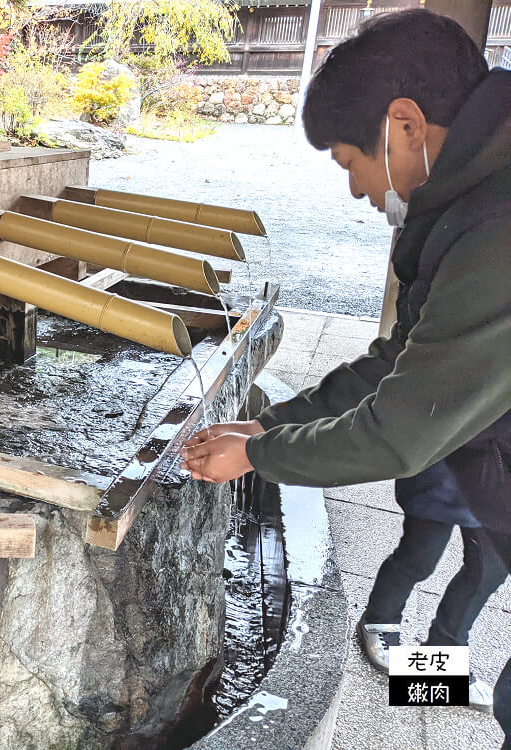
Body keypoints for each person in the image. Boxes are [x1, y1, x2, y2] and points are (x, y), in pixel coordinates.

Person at [178, 9, 511, 746]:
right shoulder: (471, 207)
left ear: (404, 126)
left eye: (349, 163)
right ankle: (402, 653)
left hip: (469, 465)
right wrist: (270, 426)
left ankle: (440, 672)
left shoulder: (496, 224)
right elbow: (402, 361)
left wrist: (261, 452)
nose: (359, 191)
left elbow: (401, 429)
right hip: (467, 469)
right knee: (421, 556)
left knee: (478, 576)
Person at [359, 460, 505, 710]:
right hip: (449, 456)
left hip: (501, 478)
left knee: (490, 568)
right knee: (420, 555)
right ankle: (379, 618)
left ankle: (445, 650)